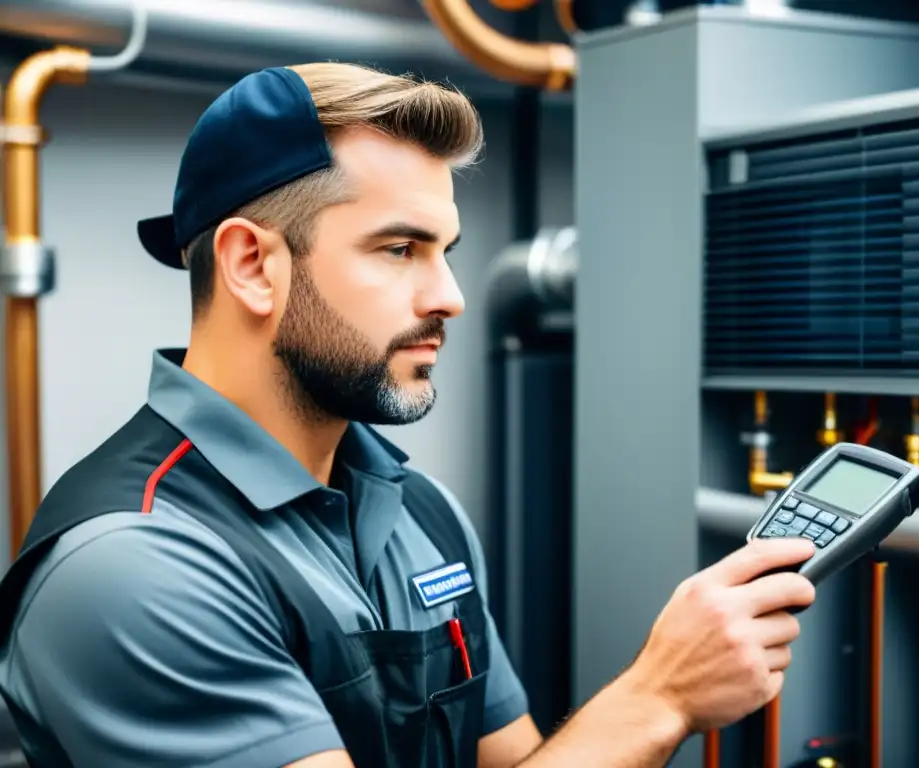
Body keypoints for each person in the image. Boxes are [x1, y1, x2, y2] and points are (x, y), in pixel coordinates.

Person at [0, 62, 817, 768]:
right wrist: (659, 695)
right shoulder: (135, 566)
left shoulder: (420, 514)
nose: (450, 298)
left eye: (446, 252)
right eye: (399, 250)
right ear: (251, 265)